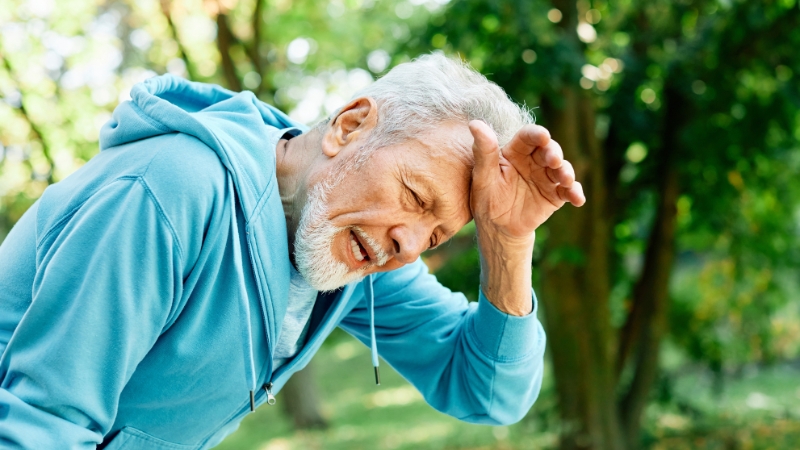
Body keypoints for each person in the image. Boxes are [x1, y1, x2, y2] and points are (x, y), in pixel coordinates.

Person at [0, 53, 584, 449]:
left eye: (435, 236)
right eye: (413, 194)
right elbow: (41, 424)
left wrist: (507, 243)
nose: (409, 241)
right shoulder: (170, 190)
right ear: (350, 127)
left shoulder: (347, 247)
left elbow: (489, 394)